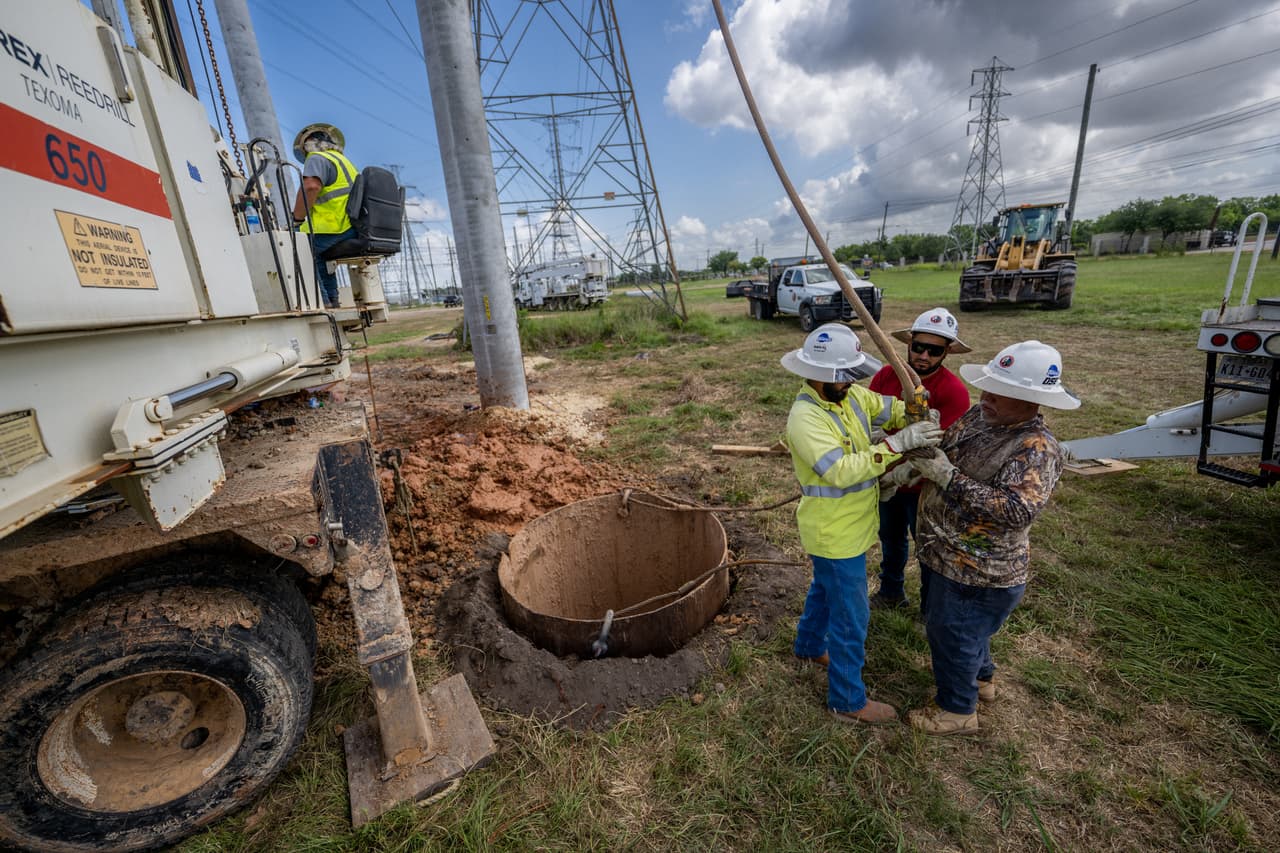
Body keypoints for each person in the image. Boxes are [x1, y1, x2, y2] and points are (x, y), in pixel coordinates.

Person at [905, 341, 1080, 735]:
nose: (987, 397)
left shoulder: (1035, 448)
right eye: (989, 387)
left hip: (977, 570)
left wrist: (948, 476)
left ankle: (957, 710)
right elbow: (948, 448)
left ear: (1031, 400)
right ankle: (981, 681)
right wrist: (923, 455)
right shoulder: (982, 417)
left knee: (954, 633)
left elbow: (1015, 511)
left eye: (1001, 393)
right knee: (967, 630)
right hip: (945, 554)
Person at [781, 324, 944, 725]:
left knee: (824, 589)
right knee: (851, 617)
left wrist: (915, 408)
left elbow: (885, 407)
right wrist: (898, 444)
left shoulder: (849, 396)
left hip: (851, 526)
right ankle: (847, 699)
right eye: (844, 375)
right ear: (819, 375)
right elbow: (839, 471)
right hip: (833, 532)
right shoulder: (805, 419)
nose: (853, 381)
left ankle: (807, 645)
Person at [868, 309, 972, 614]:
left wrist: (903, 473)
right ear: (909, 343)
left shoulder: (953, 392)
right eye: (919, 347)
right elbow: (871, 418)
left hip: (924, 487)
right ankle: (890, 592)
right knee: (890, 538)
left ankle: (930, 610)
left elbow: (944, 450)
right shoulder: (886, 376)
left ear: (947, 352)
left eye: (934, 350)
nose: (924, 356)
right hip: (885, 477)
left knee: (928, 548)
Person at [291, 123, 358, 308]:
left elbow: (311, 187)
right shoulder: (344, 161)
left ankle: (322, 303)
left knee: (299, 248)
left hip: (336, 225)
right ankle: (332, 300)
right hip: (353, 225)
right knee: (320, 255)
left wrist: (296, 219)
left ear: (310, 144)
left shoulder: (316, 157)